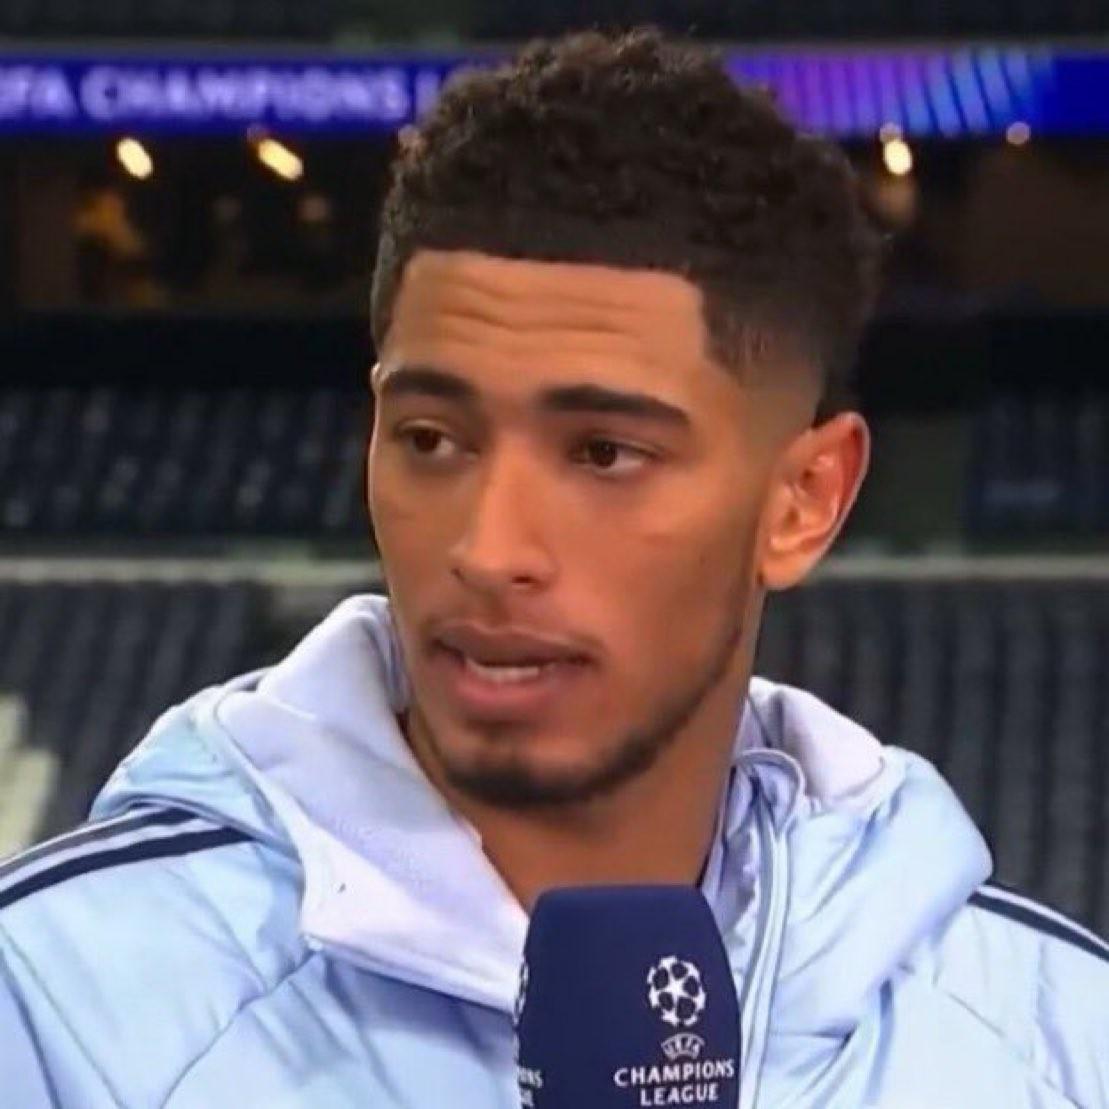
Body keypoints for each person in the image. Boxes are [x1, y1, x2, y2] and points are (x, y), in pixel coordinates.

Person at [2, 27, 1106, 1108]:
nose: (488, 551)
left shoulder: (1057, 1038)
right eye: (431, 438)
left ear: (804, 498)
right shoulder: (50, 1009)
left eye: (603, 453)